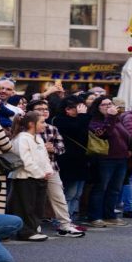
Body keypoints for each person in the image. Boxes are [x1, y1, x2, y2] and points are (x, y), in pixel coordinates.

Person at [26, 100, 85, 238]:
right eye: (39, 109)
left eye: (46, 108)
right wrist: (40, 148)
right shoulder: (24, 129)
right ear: (31, 111)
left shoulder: (52, 128)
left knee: (58, 196)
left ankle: (65, 225)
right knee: (32, 199)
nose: (44, 111)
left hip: (51, 167)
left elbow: (62, 148)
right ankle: (34, 226)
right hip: (30, 168)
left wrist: (53, 149)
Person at [7, 112, 53, 242]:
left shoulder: (38, 137)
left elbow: (44, 158)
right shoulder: (22, 138)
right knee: (25, 207)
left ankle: (33, 228)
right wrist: (40, 173)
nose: (45, 125)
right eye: (42, 122)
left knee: (37, 205)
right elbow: (25, 160)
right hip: (24, 178)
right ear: (31, 124)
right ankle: (25, 232)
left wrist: (47, 171)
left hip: (39, 177)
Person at [86, 96, 130, 227]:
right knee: (100, 188)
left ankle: (110, 215)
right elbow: (104, 134)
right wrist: (110, 117)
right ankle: (95, 217)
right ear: (97, 108)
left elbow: (126, 136)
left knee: (115, 189)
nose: (108, 106)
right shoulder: (94, 121)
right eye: (104, 105)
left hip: (121, 158)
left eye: (110, 103)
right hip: (104, 159)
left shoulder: (118, 120)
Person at [49, 96, 91, 222]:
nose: (83, 109)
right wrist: (83, 116)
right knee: (69, 193)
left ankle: (71, 217)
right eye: (78, 107)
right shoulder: (59, 120)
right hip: (68, 161)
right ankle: (62, 220)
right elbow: (76, 130)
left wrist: (83, 117)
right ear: (68, 109)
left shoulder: (81, 119)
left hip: (81, 160)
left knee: (77, 194)